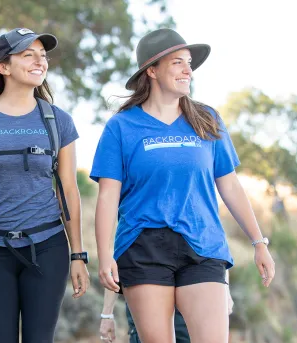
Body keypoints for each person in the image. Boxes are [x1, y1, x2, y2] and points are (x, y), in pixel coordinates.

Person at [91, 28, 275, 343]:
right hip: (143, 247)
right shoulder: (121, 127)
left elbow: (229, 185)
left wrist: (259, 242)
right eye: (177, 63)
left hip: (203, 245)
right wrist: (105, 254)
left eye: (188, 63)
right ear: (151, 70)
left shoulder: (207, 120)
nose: (188, 70)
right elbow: (108, 197)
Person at [0, 28, 90, 343]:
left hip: (47, 246)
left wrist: (78, 255)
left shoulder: (59, 120)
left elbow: (68, 190)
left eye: (43, 55)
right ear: (3, 66)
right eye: (28, 55)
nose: (39, 61)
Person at [99, 271, 234, 342]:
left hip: (186, 316)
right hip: (146, 310)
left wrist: (225, 291)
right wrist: (107, 315)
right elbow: (113, 268)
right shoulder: (131, 226)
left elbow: (216, 249)